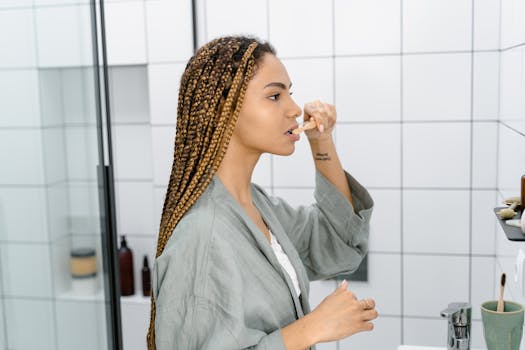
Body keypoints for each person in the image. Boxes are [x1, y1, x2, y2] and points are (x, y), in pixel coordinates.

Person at [146, 35, 377, 350]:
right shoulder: (201, 237)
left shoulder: (256, 206)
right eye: (274, 96)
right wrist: (310, 329)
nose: (294, 108)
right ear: (224, 110)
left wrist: (321, 142)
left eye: (289, 94)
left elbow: (337, 244)